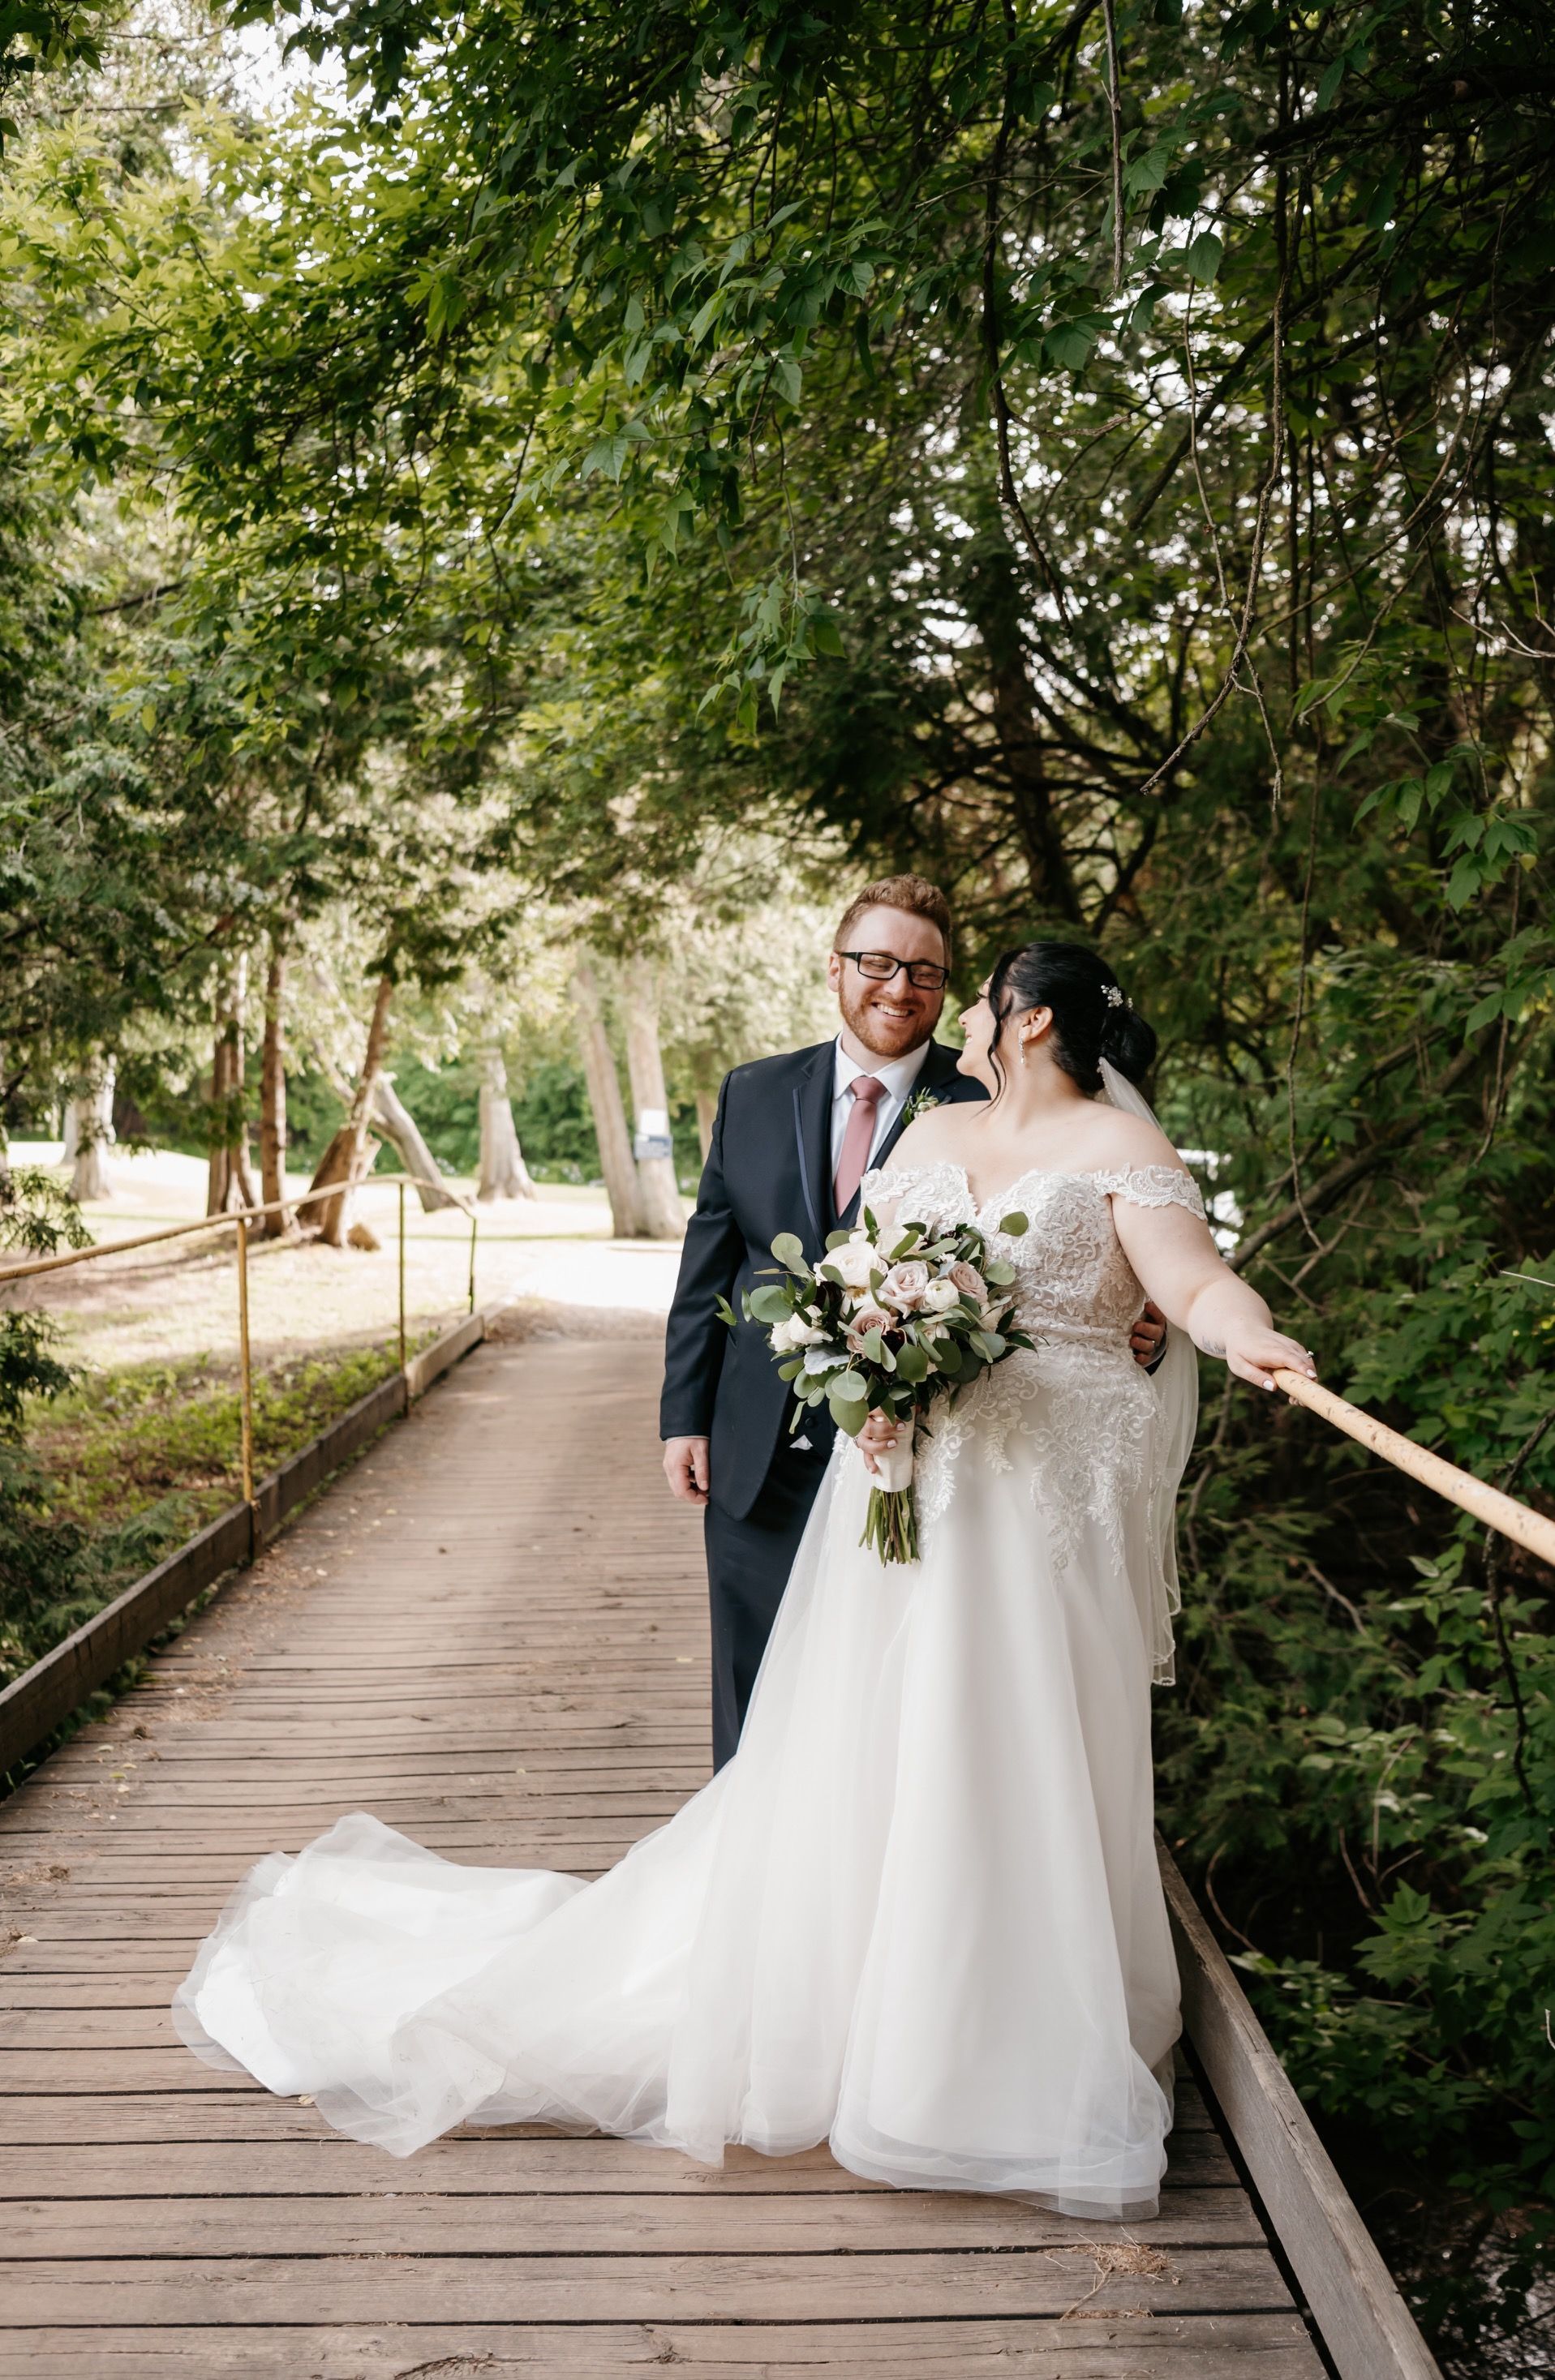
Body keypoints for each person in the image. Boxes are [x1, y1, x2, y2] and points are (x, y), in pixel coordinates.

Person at [174, 935, 1316, 2221]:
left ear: (1033, 1020)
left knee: (1018, 1739)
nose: (975, 1022)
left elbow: (1193, 1281)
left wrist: (1251, 1335)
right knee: (889, 1740)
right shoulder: (932, 1141)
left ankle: (990, 2033)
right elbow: (859, 1285)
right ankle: (875, 2026)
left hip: (1042, 1503)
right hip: (917, 1489)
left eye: (988, 1000)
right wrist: (876, 1384)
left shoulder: (1120, 1154)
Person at [660, 875, 1165, 1766]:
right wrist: (684, 1417)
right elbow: (711, 1269)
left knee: (896, 1707)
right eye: (879, 963)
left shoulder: (990, 1093)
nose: (901, 988)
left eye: (926, 972)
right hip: (757, 1447)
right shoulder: (753, 1091)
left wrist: (1138, 1317)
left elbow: (1095, 1248)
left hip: (931, 1460)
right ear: (835, 968)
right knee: (750, 1687)